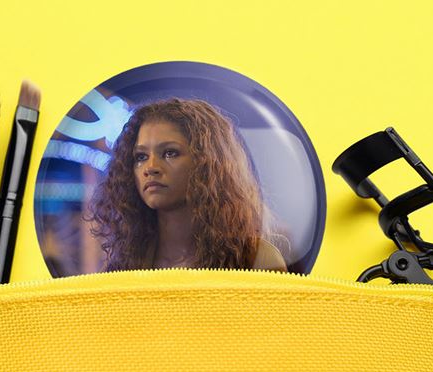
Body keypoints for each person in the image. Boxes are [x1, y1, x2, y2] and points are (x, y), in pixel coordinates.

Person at [85, 98, 287, 272]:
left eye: (170, 153)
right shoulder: (124, 264)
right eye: (141, 157)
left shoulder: (256, 259)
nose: (150, 167)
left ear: (207, 163)